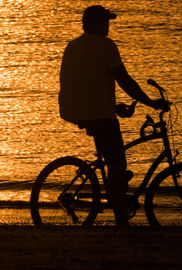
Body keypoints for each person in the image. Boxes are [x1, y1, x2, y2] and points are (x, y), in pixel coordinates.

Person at [59, 5, 168, 226]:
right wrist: (151, 103)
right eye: (105, 22)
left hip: (74, 109)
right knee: (117, 163)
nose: (108, 26)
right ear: (97, 24)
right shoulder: (105, 45)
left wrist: (114, 106)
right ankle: (121, 219)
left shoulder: (73, 46)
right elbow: (124, 80)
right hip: (97, 113)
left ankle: (114, 189)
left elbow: (86, 84)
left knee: (111, 158)